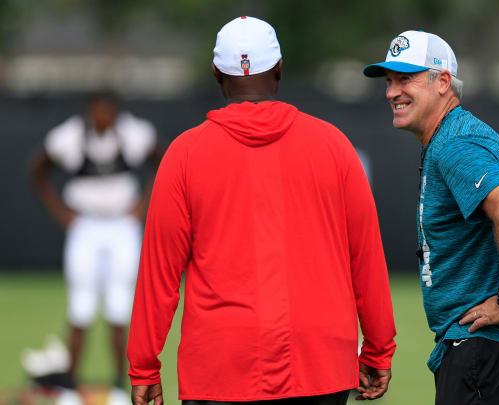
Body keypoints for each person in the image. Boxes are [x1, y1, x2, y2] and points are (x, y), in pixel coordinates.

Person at [127, 16, 396, 405]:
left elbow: (159, 274)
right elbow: (366, 260)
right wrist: (377, 348)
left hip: (220, 363)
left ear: (217, 74)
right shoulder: (334, 146)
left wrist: (144, 366)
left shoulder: (184, 154)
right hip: (318, 362)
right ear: (280, 69)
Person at [363, 30, 499, 404]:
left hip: (492, 353)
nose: (391, 92)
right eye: (388, 81)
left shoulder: (453, 143)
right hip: (496, 353)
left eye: (405, 79)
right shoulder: (449, 137)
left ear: (443, 82)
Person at [30, 92, 161, 404]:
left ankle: (121, 383)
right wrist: (62, 213)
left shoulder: (134, 134)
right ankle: (68, 386)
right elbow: (37, 169)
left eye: (107, 112)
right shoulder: (69, 136)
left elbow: (162, 161)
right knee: (81, 306)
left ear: (115, 113)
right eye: (97, 113)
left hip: (121, 227)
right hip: (86, 226)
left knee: (119, 306)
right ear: (89, 113)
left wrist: (141, 207)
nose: (102, 118)